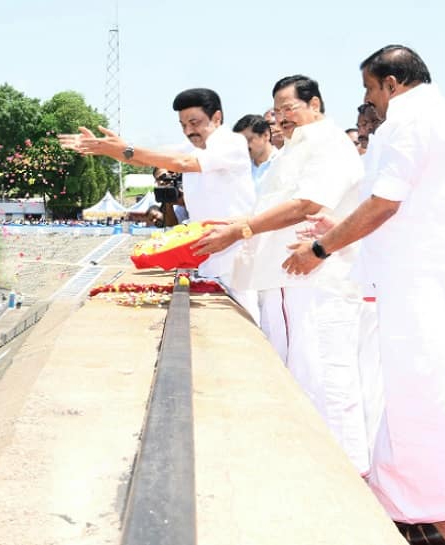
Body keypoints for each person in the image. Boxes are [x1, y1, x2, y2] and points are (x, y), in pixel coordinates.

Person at [283, 45, 445, 544]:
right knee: (420, 396)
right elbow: (412, 206)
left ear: (392, 83)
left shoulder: (409, 119)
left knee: (425, 399)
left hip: (423, 282)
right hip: (427, 277)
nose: (368, 99)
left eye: (369, 88)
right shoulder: (434, 117)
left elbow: (386, 204)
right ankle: (420, 510)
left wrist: (321, 247)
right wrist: (341, 228)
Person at [192, 75, 368, 474]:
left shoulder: (326, 144)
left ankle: (345, 476)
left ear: (316, 105)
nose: (282, 119)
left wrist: (240, 230)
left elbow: (307, 204)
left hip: (313, 279)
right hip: (287, 280)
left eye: (289, 109)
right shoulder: (294, 150)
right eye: (277, 112)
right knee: (302, 375)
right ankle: (320, 467)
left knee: (325, 376)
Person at [58, 88, 258, 323]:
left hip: (235, 249)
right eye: (183, 125)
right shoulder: (193, 146)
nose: (188, 131)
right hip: (208, 251)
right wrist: (113, 149)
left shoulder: (230, 142)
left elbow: (182, 163)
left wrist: (126, 150)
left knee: (248, 318)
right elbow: (147, 157)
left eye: (194, 122)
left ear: (216, 117)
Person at [232, 113, 279, 193]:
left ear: (266, 135)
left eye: (248, 140)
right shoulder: (240, 168)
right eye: (240, 143)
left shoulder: (283, 161)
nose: (244, 146)